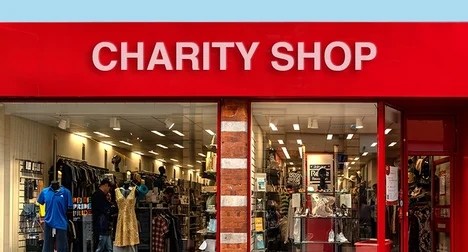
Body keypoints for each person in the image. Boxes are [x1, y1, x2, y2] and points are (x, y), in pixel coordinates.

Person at [92, 178, 113, 252]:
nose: (108, 190)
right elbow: (106, 209)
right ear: (106, 185)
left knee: (108, 248)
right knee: (100, 247)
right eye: (109, 188)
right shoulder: (99, 196)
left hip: (102, 226)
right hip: (101, 225)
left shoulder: (97, 195)